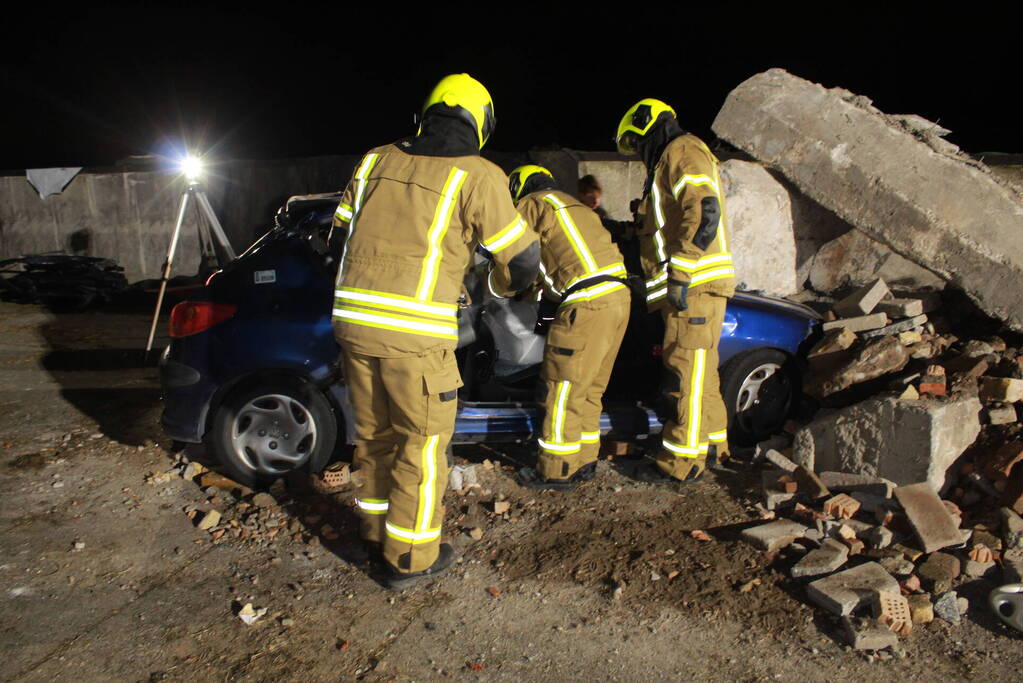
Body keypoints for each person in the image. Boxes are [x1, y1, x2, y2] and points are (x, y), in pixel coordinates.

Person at [329, 74, 540, 588]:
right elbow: (525, 258)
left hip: (354, 329)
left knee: (374, 439)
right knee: (420, 449)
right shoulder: (479, 175)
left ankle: (375, 532)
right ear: (481, 123)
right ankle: (410, 558)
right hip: (416, 340)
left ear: (426, 112)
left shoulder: (375, 159)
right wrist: (498, 282)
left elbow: (335, 238)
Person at [614, 98, 735, 483]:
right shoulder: (676, 157)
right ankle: (714, 447)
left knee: (684, 375)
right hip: (697, 286)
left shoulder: (680, 151)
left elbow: (703, 210)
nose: (638, 153)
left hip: (693, 285)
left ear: (646, 126)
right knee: (702, 372)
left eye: (636, 143)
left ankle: (680, 464)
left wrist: (680, 272)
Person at [506, 165, 631, 491]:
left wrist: (507, 286)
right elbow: (553, 281)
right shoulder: (578, 209)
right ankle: (585, 461)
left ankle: (555, 471)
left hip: (585, 303)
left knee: (560, 391)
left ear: (520, 188)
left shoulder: (532, 205)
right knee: (589, 388)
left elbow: (518, 257)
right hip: (618, 299)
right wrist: (544, 327)